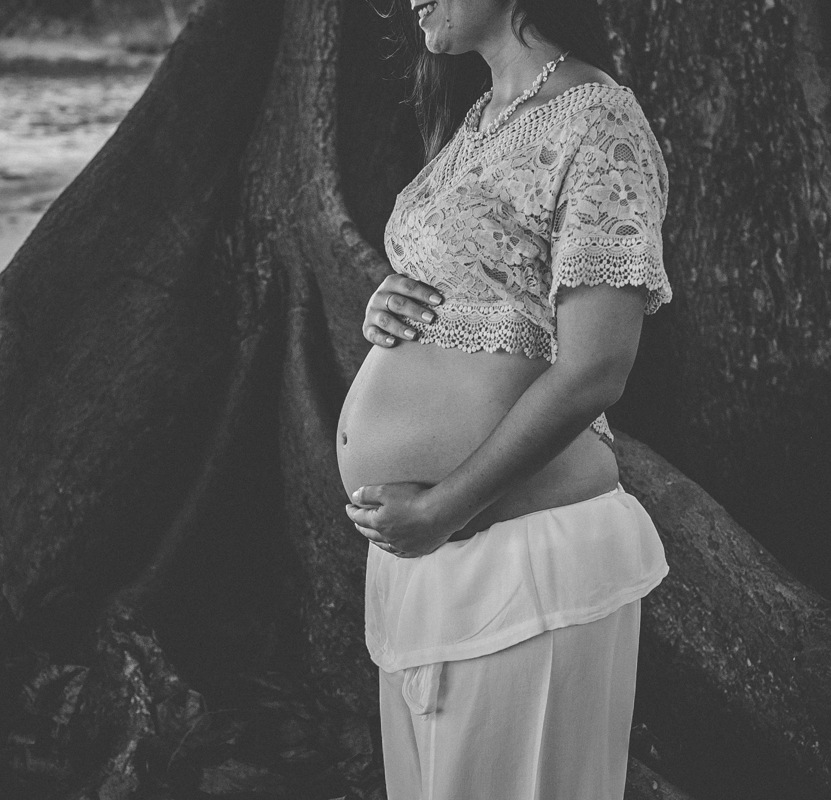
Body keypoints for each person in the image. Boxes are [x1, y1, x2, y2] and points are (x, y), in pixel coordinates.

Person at [334, 0, 673, 798]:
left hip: (521, 554)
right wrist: (387, 300)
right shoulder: (479, 117)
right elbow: (485, 282)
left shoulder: (598, 121)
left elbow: (596, 369)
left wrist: (445, 506)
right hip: (428, 559)